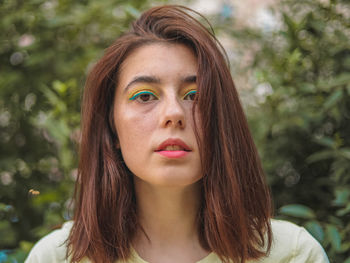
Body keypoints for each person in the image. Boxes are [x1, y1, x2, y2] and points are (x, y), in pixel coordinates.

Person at [25, 5, 329, 263]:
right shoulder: (57, 257)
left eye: (194, 95)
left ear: (221, 119)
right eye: (145, 96)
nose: (173, 114)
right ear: (111, 127)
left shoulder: (293, 255)